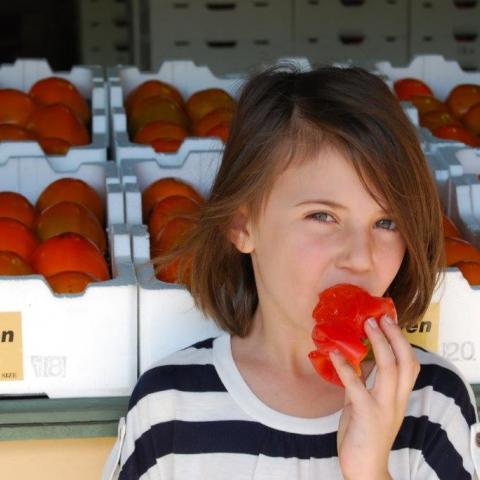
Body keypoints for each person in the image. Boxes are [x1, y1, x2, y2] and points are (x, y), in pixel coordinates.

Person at [114, 64, 479, 479]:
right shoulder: (168, 405)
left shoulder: (433, 402)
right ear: (242, 225)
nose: (360, 257)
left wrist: (370, 468)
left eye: (387, 223)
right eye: (322, 216)